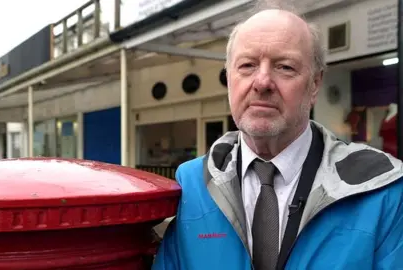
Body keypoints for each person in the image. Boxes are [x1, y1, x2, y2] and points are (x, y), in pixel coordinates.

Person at [152, 4, 403, 270]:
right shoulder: (192, 184)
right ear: (229, 78)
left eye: (284, 67)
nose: (262, 82)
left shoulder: (382, 191)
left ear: (315, 84)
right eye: (247, 65)